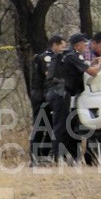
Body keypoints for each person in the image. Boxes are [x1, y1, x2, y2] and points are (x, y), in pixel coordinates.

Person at [47, 33, 101, 164]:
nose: (85, 47)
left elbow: (73, 69)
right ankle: (55, 156)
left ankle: (63, 155)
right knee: (60, 126)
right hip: (61, 93)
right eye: (84, 44)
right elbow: (93, 72)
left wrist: (90, 63)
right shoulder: (72, 56)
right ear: (78, 45)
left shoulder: (65, 55)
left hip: (53, 92)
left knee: (61, 125)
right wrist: (100, 63)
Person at [28, 35, 64, 165]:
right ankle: (33, 158)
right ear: (54, 45)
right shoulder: (46, 57)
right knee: (39, 125)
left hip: (45, 94)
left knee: (49, 125)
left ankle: (43, 155)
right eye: (61, 46)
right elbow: (49, 74)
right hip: (39, 95)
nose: (62, 49)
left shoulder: (52, 57)